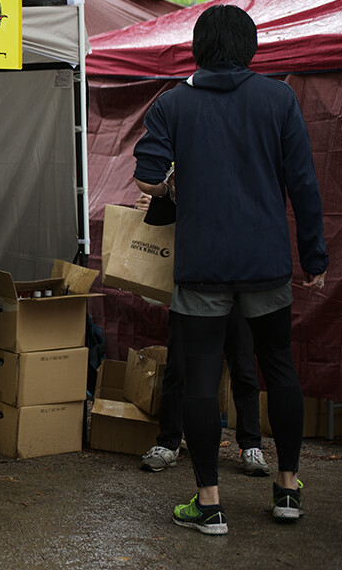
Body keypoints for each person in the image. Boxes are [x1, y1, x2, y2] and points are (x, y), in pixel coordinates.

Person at [133, 4, 328, 535]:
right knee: (279, 369)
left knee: (200, 380)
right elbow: (303, 184)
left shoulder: (173, 103)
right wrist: (314, 257)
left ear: (198, 48)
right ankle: (287, 490)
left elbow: (147, 177)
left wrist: (172, 185)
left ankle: (210, 505)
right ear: (249, 48)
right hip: (265, 263)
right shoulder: (279, 99)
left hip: (202, 265)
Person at [133, 194, 269, 477]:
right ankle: (169, 443)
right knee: (178, 367)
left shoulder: (242, 180)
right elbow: (161, 220)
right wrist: (151, 207)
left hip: (238, 285)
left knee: (244, 367)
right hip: (193, 285)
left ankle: (251, 445)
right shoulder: (187, 176)